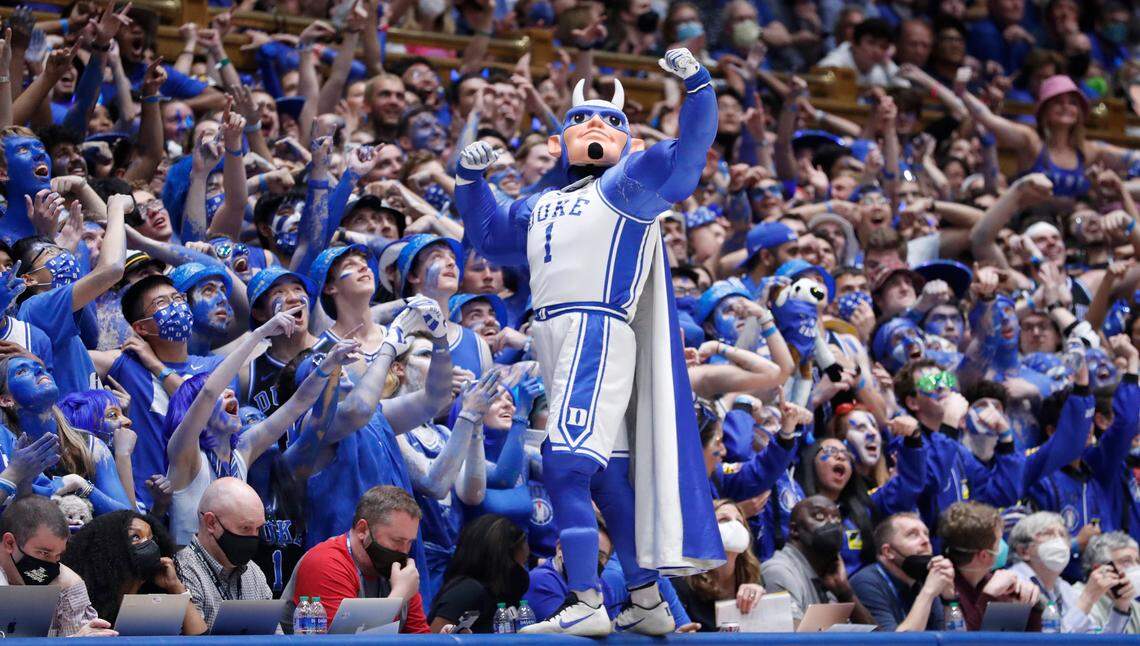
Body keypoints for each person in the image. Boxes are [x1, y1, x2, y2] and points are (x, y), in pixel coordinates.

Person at [457, 47, 722, 636]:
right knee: (603, 477)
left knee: (565, 464)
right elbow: (488, 234)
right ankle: (647, 598)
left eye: (614, 120)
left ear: (628, 143)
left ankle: (584, 599)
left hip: (594, 327)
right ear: (558, 144)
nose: (597, 123)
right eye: (581, 118)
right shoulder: (540, 203)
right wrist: (469, 178)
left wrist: (698, 87)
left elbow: (688, 157)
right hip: (552, 334)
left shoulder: (628, 185)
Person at [288, 485, 429, 634]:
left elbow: (419, 637)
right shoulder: (325, 563)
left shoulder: (399, 573)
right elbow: (343, 643)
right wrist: (399, 595)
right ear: (363, 530)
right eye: (397, 541)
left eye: (410, 542)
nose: (404, 551)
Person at [62, 509, 208, 634]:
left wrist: (175, 586)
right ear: (111, 547)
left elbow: (202, 640)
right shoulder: (84, 598)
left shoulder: (156, 595)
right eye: (136, 537)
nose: (149, 544)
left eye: (151, 538)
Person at [0, 496, 117, 637]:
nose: (52, 565)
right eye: (44, 553)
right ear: (9, 543)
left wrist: (78, 641)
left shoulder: (68, 586)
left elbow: (80, 639)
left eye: (58, 555)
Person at [174, 478, 273, 630]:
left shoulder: (254, 572)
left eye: (258, 529)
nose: (253, 537)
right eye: (245, 528)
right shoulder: (182, 570)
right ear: (211, 523)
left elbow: (277, 638)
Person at [759, 495, 876, 624]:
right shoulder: (779, 571)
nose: (831, 523)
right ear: (794, 530)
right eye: (820, 517)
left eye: (837, 519)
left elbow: (880, 642)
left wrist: (845, 593)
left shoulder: (830, 575)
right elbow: (791, 642)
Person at [1007, 512, 1130, 633]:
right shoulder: (1013, 584)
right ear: (1024, 551)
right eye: (1048, 534)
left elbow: (1096, 642)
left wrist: (1121, 608)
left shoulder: (1063, 588)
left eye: (1062, 534)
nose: (1059, 540)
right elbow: (1052, 643)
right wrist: (1087, 598)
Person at [938, 501, 1041, 631]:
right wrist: (989, 594)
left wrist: (1032, 603)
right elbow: (962, 641)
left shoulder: (998, 585)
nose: (1003, 547)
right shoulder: (943, 587)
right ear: (985, 556)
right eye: (999, 541)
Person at [849, 512, 955, 631]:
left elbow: (956, 638)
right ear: (888, 552)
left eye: (926, 534)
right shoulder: (866, 583)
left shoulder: (925, 579)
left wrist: (950, 601)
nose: (926, 541)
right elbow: (896, 643)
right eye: (913, 535)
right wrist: (928, 593)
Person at [672, 500, 766, 632]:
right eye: (724, 519)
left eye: (739, 521)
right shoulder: (682, 582)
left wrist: (761, 601)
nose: (734, 525)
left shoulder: (754, 579)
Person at [427, 514, 530, 633]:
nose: (524, 571)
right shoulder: (469, 591)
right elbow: (433, 640)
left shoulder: (503, 595)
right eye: (523, 563)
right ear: (503, 560)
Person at [1077, 532, 1140, 633]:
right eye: (1126, 561)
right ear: (1101, 569)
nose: (1136, 568)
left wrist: (1122, 606)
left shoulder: (1134, 605)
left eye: (1138, 561)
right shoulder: (1077, 598)